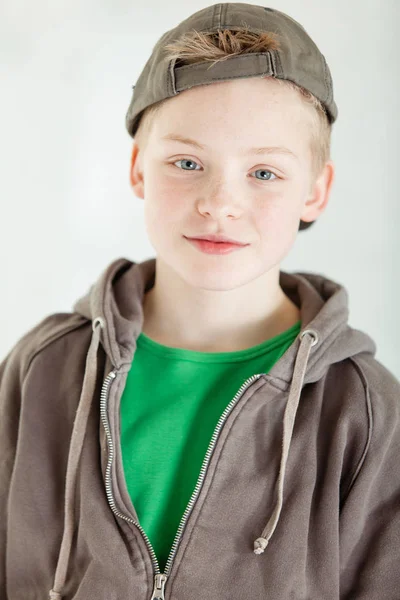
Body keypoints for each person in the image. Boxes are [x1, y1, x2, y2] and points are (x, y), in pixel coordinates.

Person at [1, 3, 399, 599]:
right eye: (187, 163)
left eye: (263, 173)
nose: (219, 201)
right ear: (139, 169)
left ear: (315, 192)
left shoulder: (364, 413)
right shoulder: (46, 368)